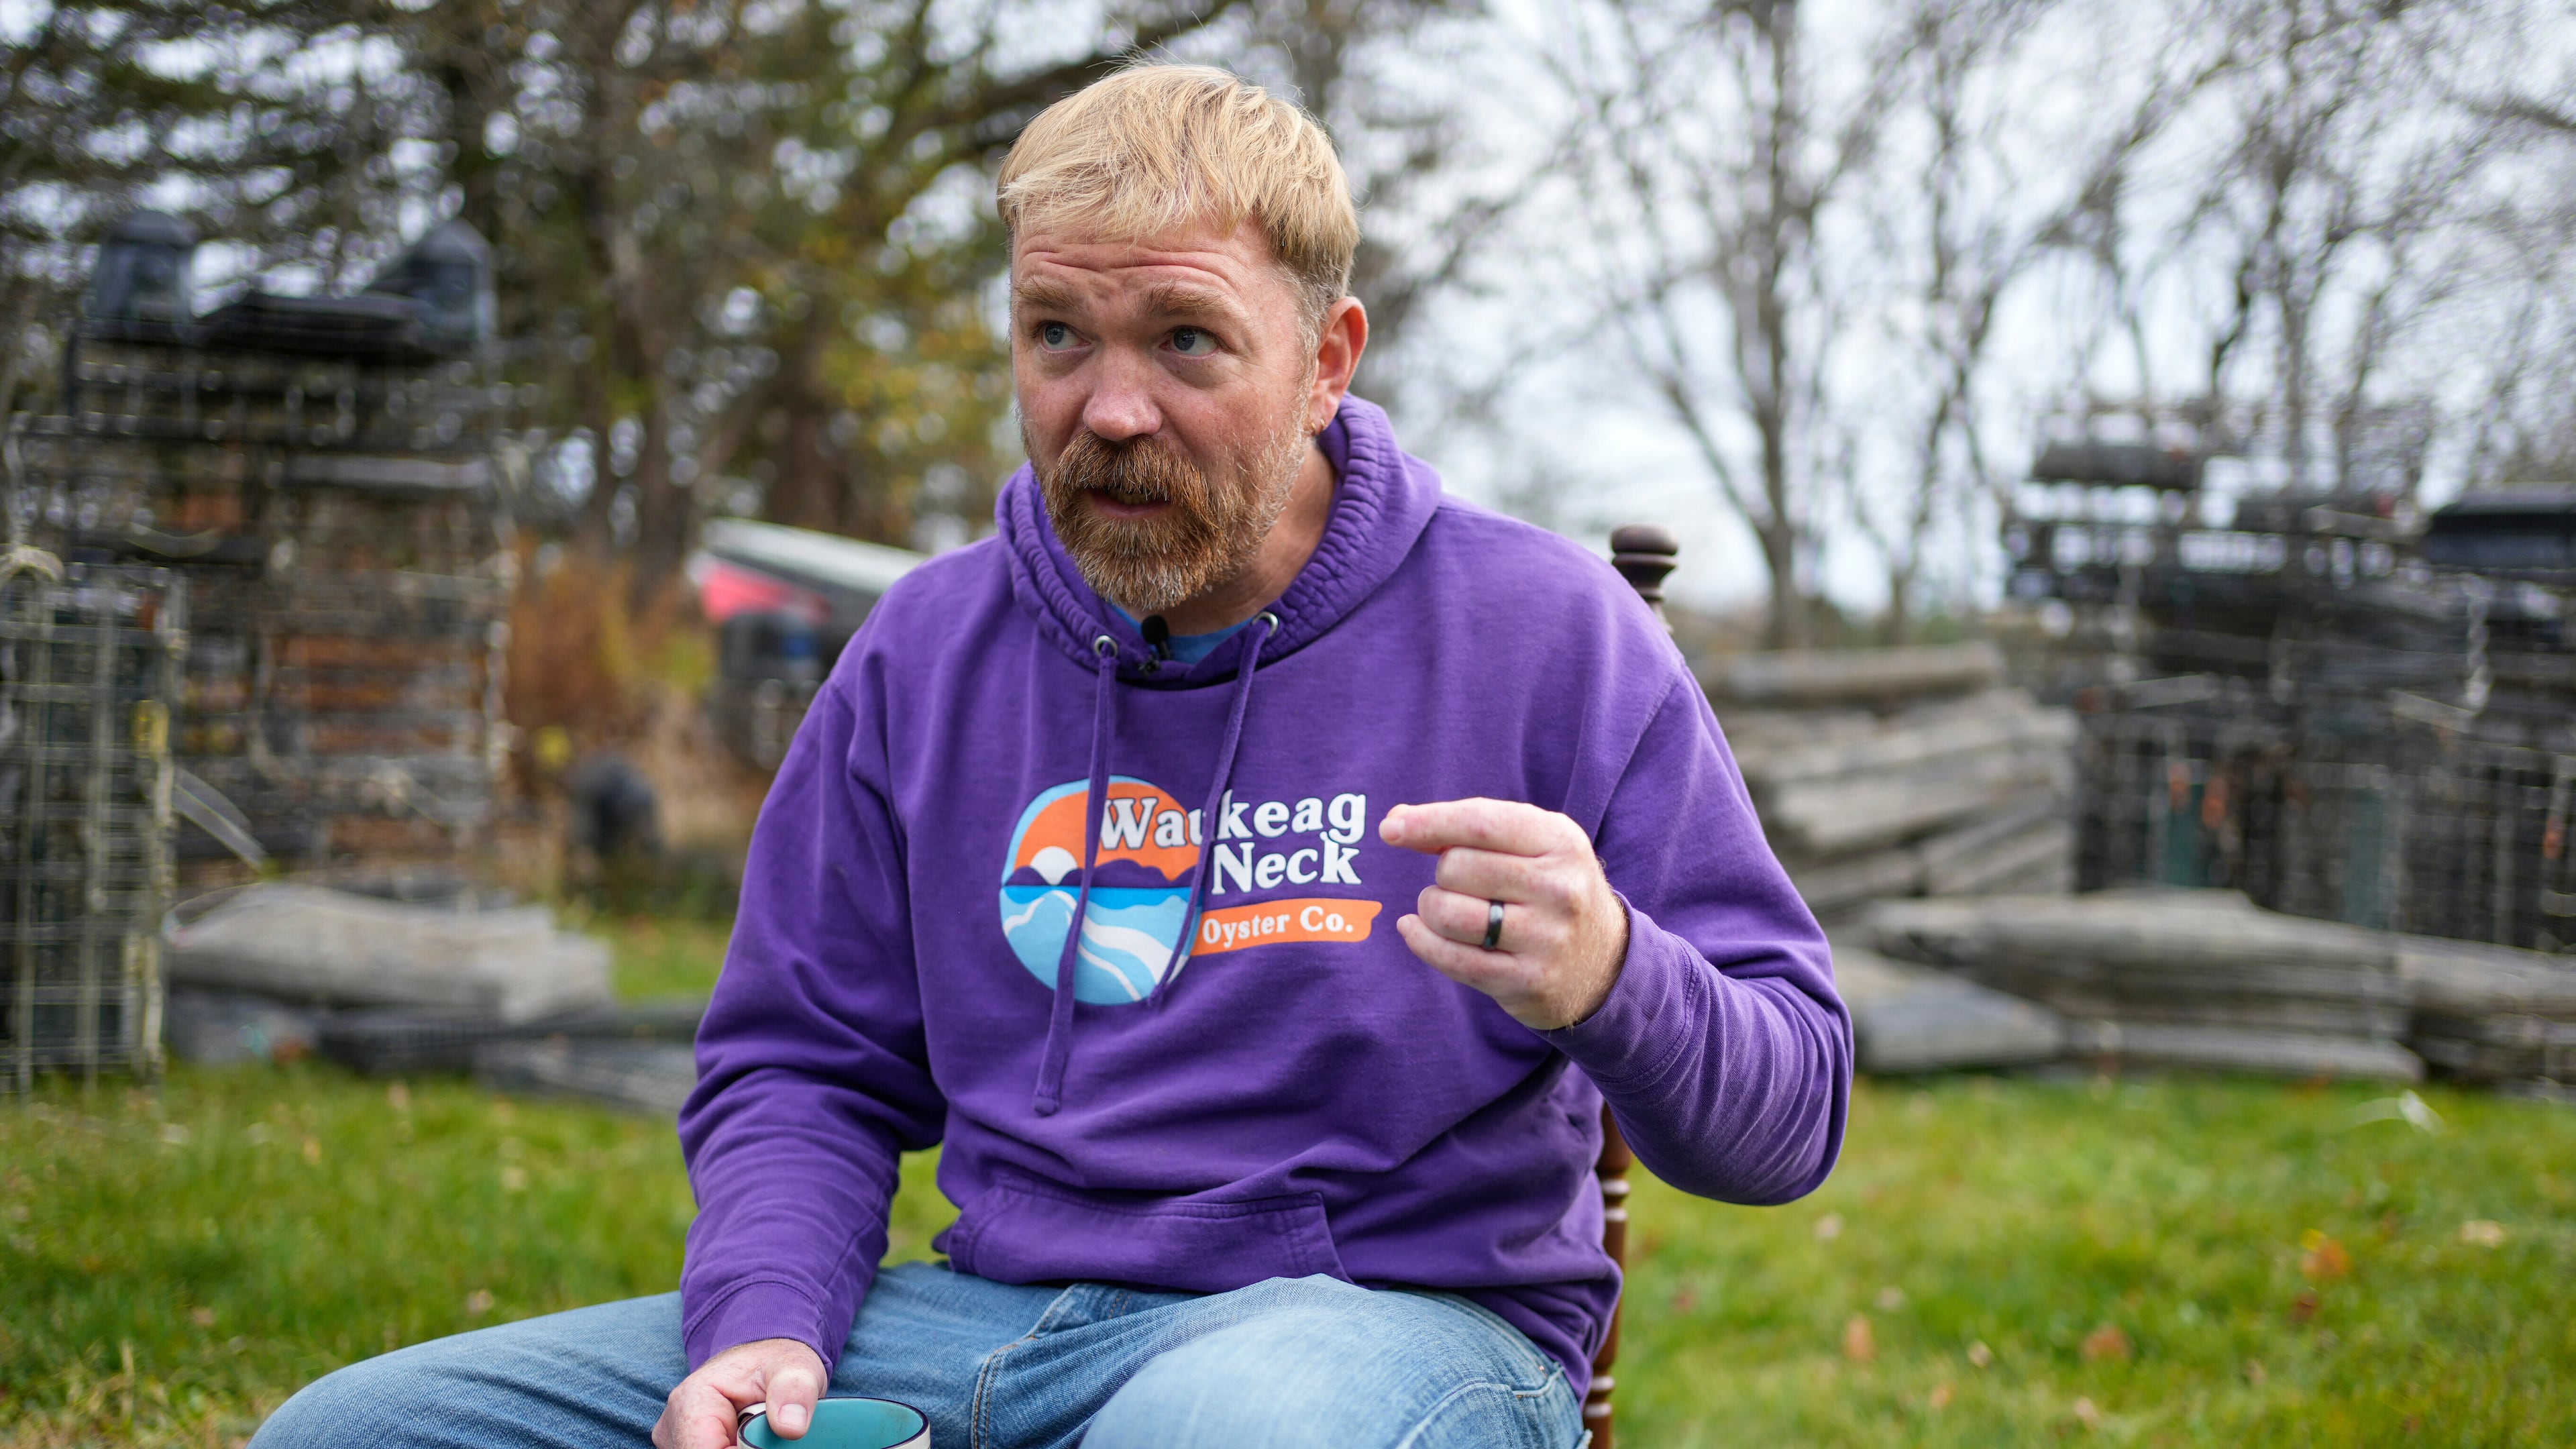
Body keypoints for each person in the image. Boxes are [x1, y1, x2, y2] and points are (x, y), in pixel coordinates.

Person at [250, 63, 1849, 1449]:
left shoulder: (1543, 634)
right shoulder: (926, 652)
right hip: (979, 1326)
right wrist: (765, 1321)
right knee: (352, 1432)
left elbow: (1789, 1118)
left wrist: (1617, 973)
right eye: (1058, 334)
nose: (1112, 409)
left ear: (1330, 357)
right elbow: (803, 1063)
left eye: (1187, 342)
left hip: (1383, 1334)